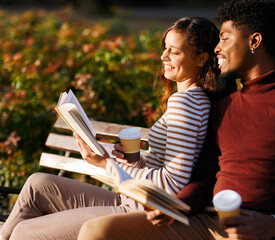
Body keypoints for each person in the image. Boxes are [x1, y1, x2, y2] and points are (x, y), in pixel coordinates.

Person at [77, 1, 275, 240]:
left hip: (269, 230)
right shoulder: (224, 107)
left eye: (225, 38)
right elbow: (203, 180)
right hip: (207, 222)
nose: (217, 47)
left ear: (254, 41)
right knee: (98, 230)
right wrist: (176, 207)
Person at [0, 16, 227, 240]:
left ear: (201, 59)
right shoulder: (193, 99)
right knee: (38, 185)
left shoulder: (186, 103)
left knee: (23, 232)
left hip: (138, 211)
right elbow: (169, 168)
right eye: (165, 48)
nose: (163, 56)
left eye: (175, 52)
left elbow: (170, 186)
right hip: (130, 200)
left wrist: (105, 163)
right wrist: (135, 160)